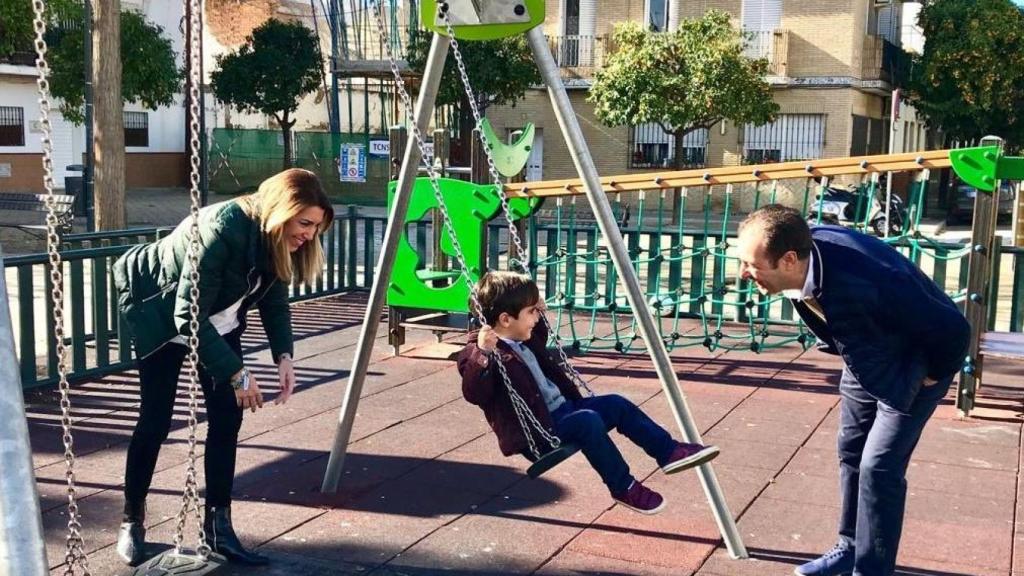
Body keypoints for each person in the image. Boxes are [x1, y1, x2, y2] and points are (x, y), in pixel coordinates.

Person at [111, 168, 333, 566]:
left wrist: (284, 355)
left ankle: (218, 529)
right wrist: (237, 373)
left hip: (215, 322)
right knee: (156, 420)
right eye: (304, 223)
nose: (310, 235)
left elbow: (273, 297)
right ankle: (132, 520)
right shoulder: (220, 230)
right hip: (163, 316)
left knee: (227, 416)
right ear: (281, 211)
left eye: (316, 227)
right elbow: (187, 316)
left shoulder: (275, 239)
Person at [735, 205, 970, 576]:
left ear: (790, 260)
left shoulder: (871, 279)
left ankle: (872, 570)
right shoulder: (802, 252)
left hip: (914, 365)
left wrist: (930, 376)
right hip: (865, 354)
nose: (744, 274)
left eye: (751, 265)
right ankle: (849, 547)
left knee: (879, 467)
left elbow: (955, 331)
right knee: (851, 452)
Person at [458, 271, 720, 514]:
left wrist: (536, 308)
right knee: (588, 422)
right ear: (506, 319)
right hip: (540, 433)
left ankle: (667, 451)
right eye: (531, 312)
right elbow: (473, 392)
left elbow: (537, 332)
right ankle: (623, 487)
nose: (536, 317)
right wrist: (483, 354)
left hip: (564, 412)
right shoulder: (479, 353)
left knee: (616, 404)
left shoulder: (524, 337)